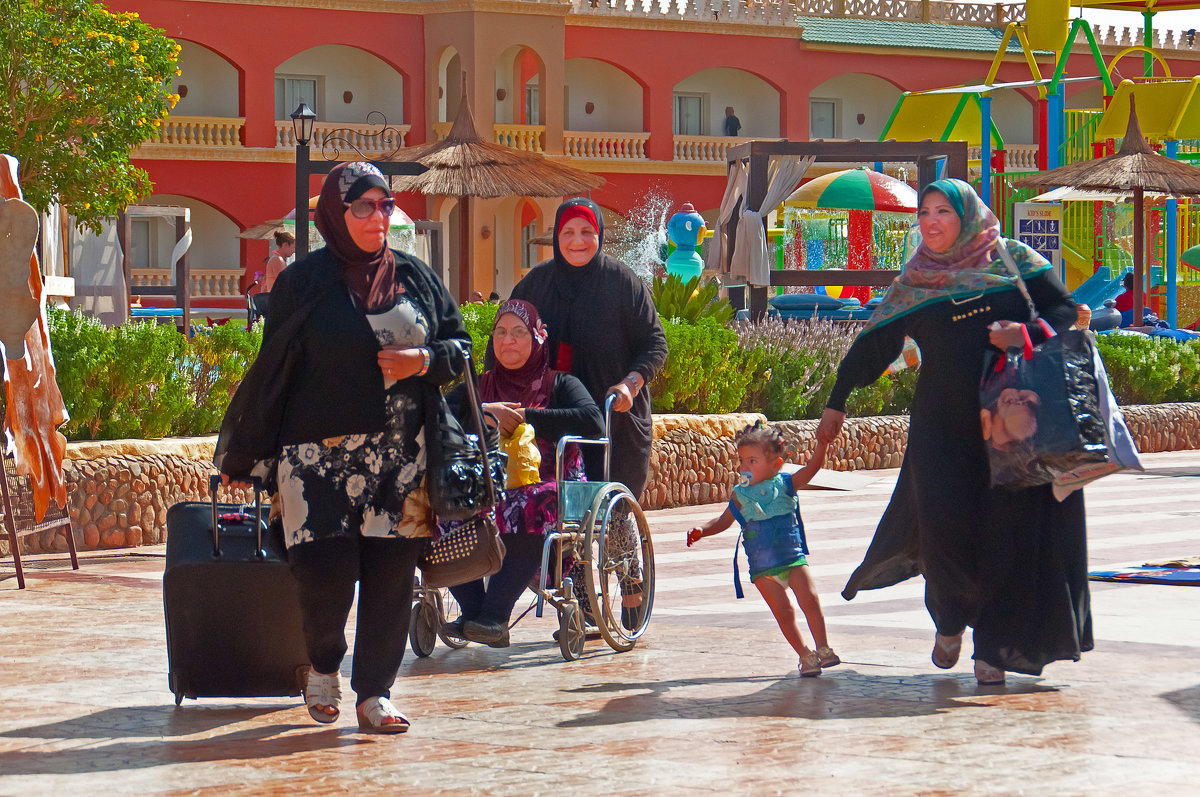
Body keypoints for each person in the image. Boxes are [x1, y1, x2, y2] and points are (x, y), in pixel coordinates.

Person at [215, 161, 470, 733]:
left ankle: (374, 693)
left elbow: (461, 347)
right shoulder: (302, 282)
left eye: (385, 206)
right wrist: (248, 456)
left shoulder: (416, 277)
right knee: (323, 577)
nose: (379, 217)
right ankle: (325, 665)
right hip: (316, 462)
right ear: (336, 211)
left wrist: (423, 361)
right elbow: (273, 369)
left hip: (403, 459)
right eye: (363, 206)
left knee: (390, 579)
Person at [816, 178, 1091, 686]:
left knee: (1007, 534)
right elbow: (875, 343)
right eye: (924, 212)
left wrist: (1024, 334)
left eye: (943, 211)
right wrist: (837, 401)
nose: (932, 222)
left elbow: (1065, 312)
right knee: (944, 529)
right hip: (941, 429)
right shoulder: (916, 279)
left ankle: (992, 645)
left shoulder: (1013, 261)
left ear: (966, 215)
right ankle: (948, 619)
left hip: (1011, 430)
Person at [508, 197, 668, 624]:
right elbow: (507, 338)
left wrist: (631, 384)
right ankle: (581, 601)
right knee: (569, 515)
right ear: (556, 237)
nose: (577, 241)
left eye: (586, 232)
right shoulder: (535, 285)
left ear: (598, 234)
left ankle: (631, 580)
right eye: (568, 233)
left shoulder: (622, 282)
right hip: (558, 421)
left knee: (614, 510)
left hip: (617, 417)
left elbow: (655, 343)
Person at [443, 299, 603, 647]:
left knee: (527, 503)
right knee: (442, 504)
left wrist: (526, 417)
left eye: (518, 332)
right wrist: (485, 412)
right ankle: (474, 614)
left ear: (536, 338)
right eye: (500, 332)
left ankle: (494, 615)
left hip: (550, 481)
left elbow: (592, 420)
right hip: (489, 480)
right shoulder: (480, 387)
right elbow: (436, 415)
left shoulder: (559, 383)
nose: (508, 341)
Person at [686, 423, 839, 677]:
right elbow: (723, 521)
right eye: (742, 461)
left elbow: (812, 469)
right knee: (784, 612)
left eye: (752, 461)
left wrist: (822, 445)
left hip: (792, 559)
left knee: (810, 600)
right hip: (763, 569)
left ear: (776, 465)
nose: (743, 467)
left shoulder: (787, 484)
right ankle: (805, 655)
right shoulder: (740, 495)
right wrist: (702, 530)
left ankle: (823, 648)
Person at [246, 230, 296, 320]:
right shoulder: (278, 260)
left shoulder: (277, 258)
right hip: (278, 301)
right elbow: (285, 282)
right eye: (293, 248)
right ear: (285, 245)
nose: (294, 251)